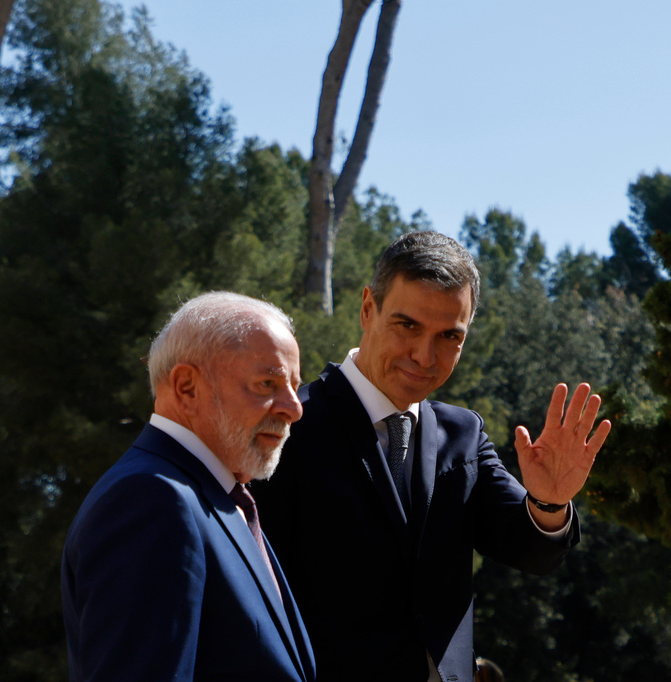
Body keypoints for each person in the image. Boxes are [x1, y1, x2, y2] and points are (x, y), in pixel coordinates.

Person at [254, 232, 611, 682]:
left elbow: (532, 553)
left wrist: (551, 502)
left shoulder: (462, 434)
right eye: (408, 326)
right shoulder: (288, 432)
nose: (425, 356)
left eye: (449, 336)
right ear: (368, 309)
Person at [61, 292, 316, 682]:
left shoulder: (215, 498)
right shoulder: (152, 499)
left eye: (294, 387)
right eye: (267, 384)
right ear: (186, 387)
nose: (294, 408)